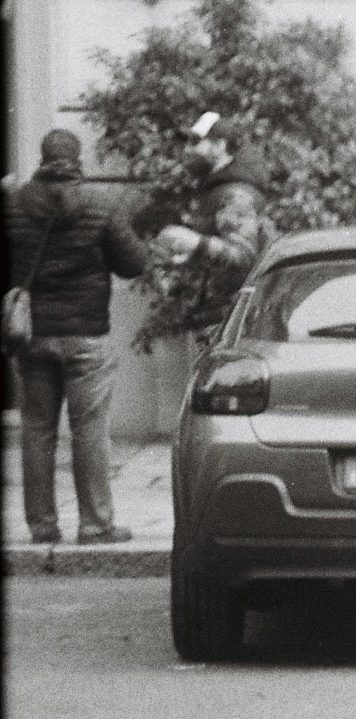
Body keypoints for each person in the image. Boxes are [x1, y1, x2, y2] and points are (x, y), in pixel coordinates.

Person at [8, 130, 151, 545]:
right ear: (77, 158)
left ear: (42, 157)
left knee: (37, 429)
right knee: (89, 430)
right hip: (87, 334)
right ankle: (95, 525)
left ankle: (42, 525)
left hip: (33, 334)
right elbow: (134, 265)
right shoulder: (101, 203)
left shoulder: (15, 203)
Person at [151, 111, 275, 341]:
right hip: (220, 321)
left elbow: (243, 256)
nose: (189, 150)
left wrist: (195, 242)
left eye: (197, 142)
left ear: (219, 145)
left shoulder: (235, 194)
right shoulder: (218, 191)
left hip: (231, 326)